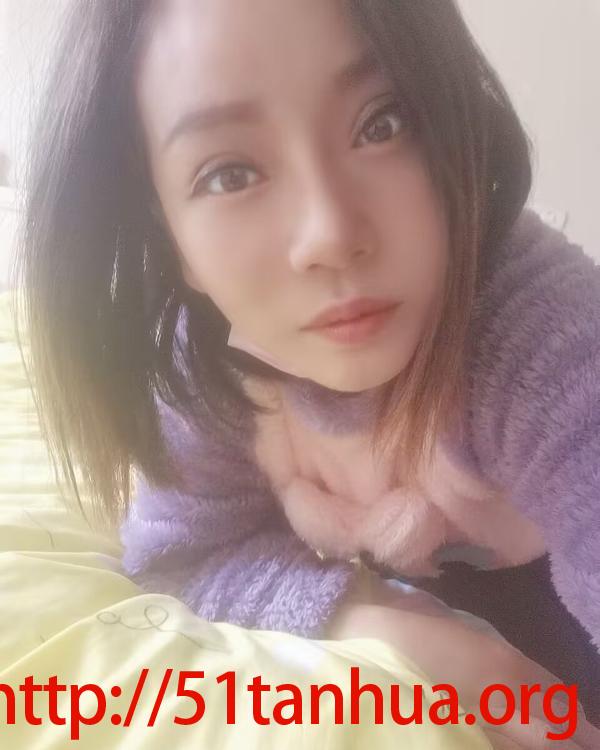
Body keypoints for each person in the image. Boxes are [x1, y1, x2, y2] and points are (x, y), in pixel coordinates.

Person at [14, 0, 600, 727]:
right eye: (230, 174)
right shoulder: (209, 369)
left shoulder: (539, 329)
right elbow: (180, 557)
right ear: (171, 237)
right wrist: (387, 626)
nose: (329, 232)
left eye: (383, 123)